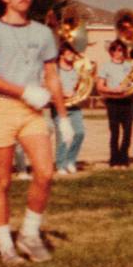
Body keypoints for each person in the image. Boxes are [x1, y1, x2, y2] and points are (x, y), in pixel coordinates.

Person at [0, 0, 72, 265]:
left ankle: (29, 234)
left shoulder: (43, 33)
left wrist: (63, 116)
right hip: (4, 108)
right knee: (1, 180)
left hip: (33, 113)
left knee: (44, 172)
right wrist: (23, 91)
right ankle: (6, 245)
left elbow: (52, 76)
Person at [96, 40, 133, 168]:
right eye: (116, 50)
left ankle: (124, 159)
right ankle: (114, 160)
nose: (119, 52)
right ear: (111, 52)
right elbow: (100, 86)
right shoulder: (105, 66)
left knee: (128, 132)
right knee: (115, 133)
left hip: (127, 101)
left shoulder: (129, 66)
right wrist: (113, 90)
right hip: (113, 101)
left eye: (121, 49)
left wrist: (130, 87)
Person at [53, 43, 87, 174]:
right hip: (58, 106)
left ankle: (70, 161)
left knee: (79, 133)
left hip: (75, 107)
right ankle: (61, 164)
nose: (72, 56)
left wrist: (80, 93)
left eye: (72, 53)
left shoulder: (76, 70)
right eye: (68, 53)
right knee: (62, 137)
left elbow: (82, 86)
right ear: (61, 55)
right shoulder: (55, 70)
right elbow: (48, 87)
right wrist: (62, 93)